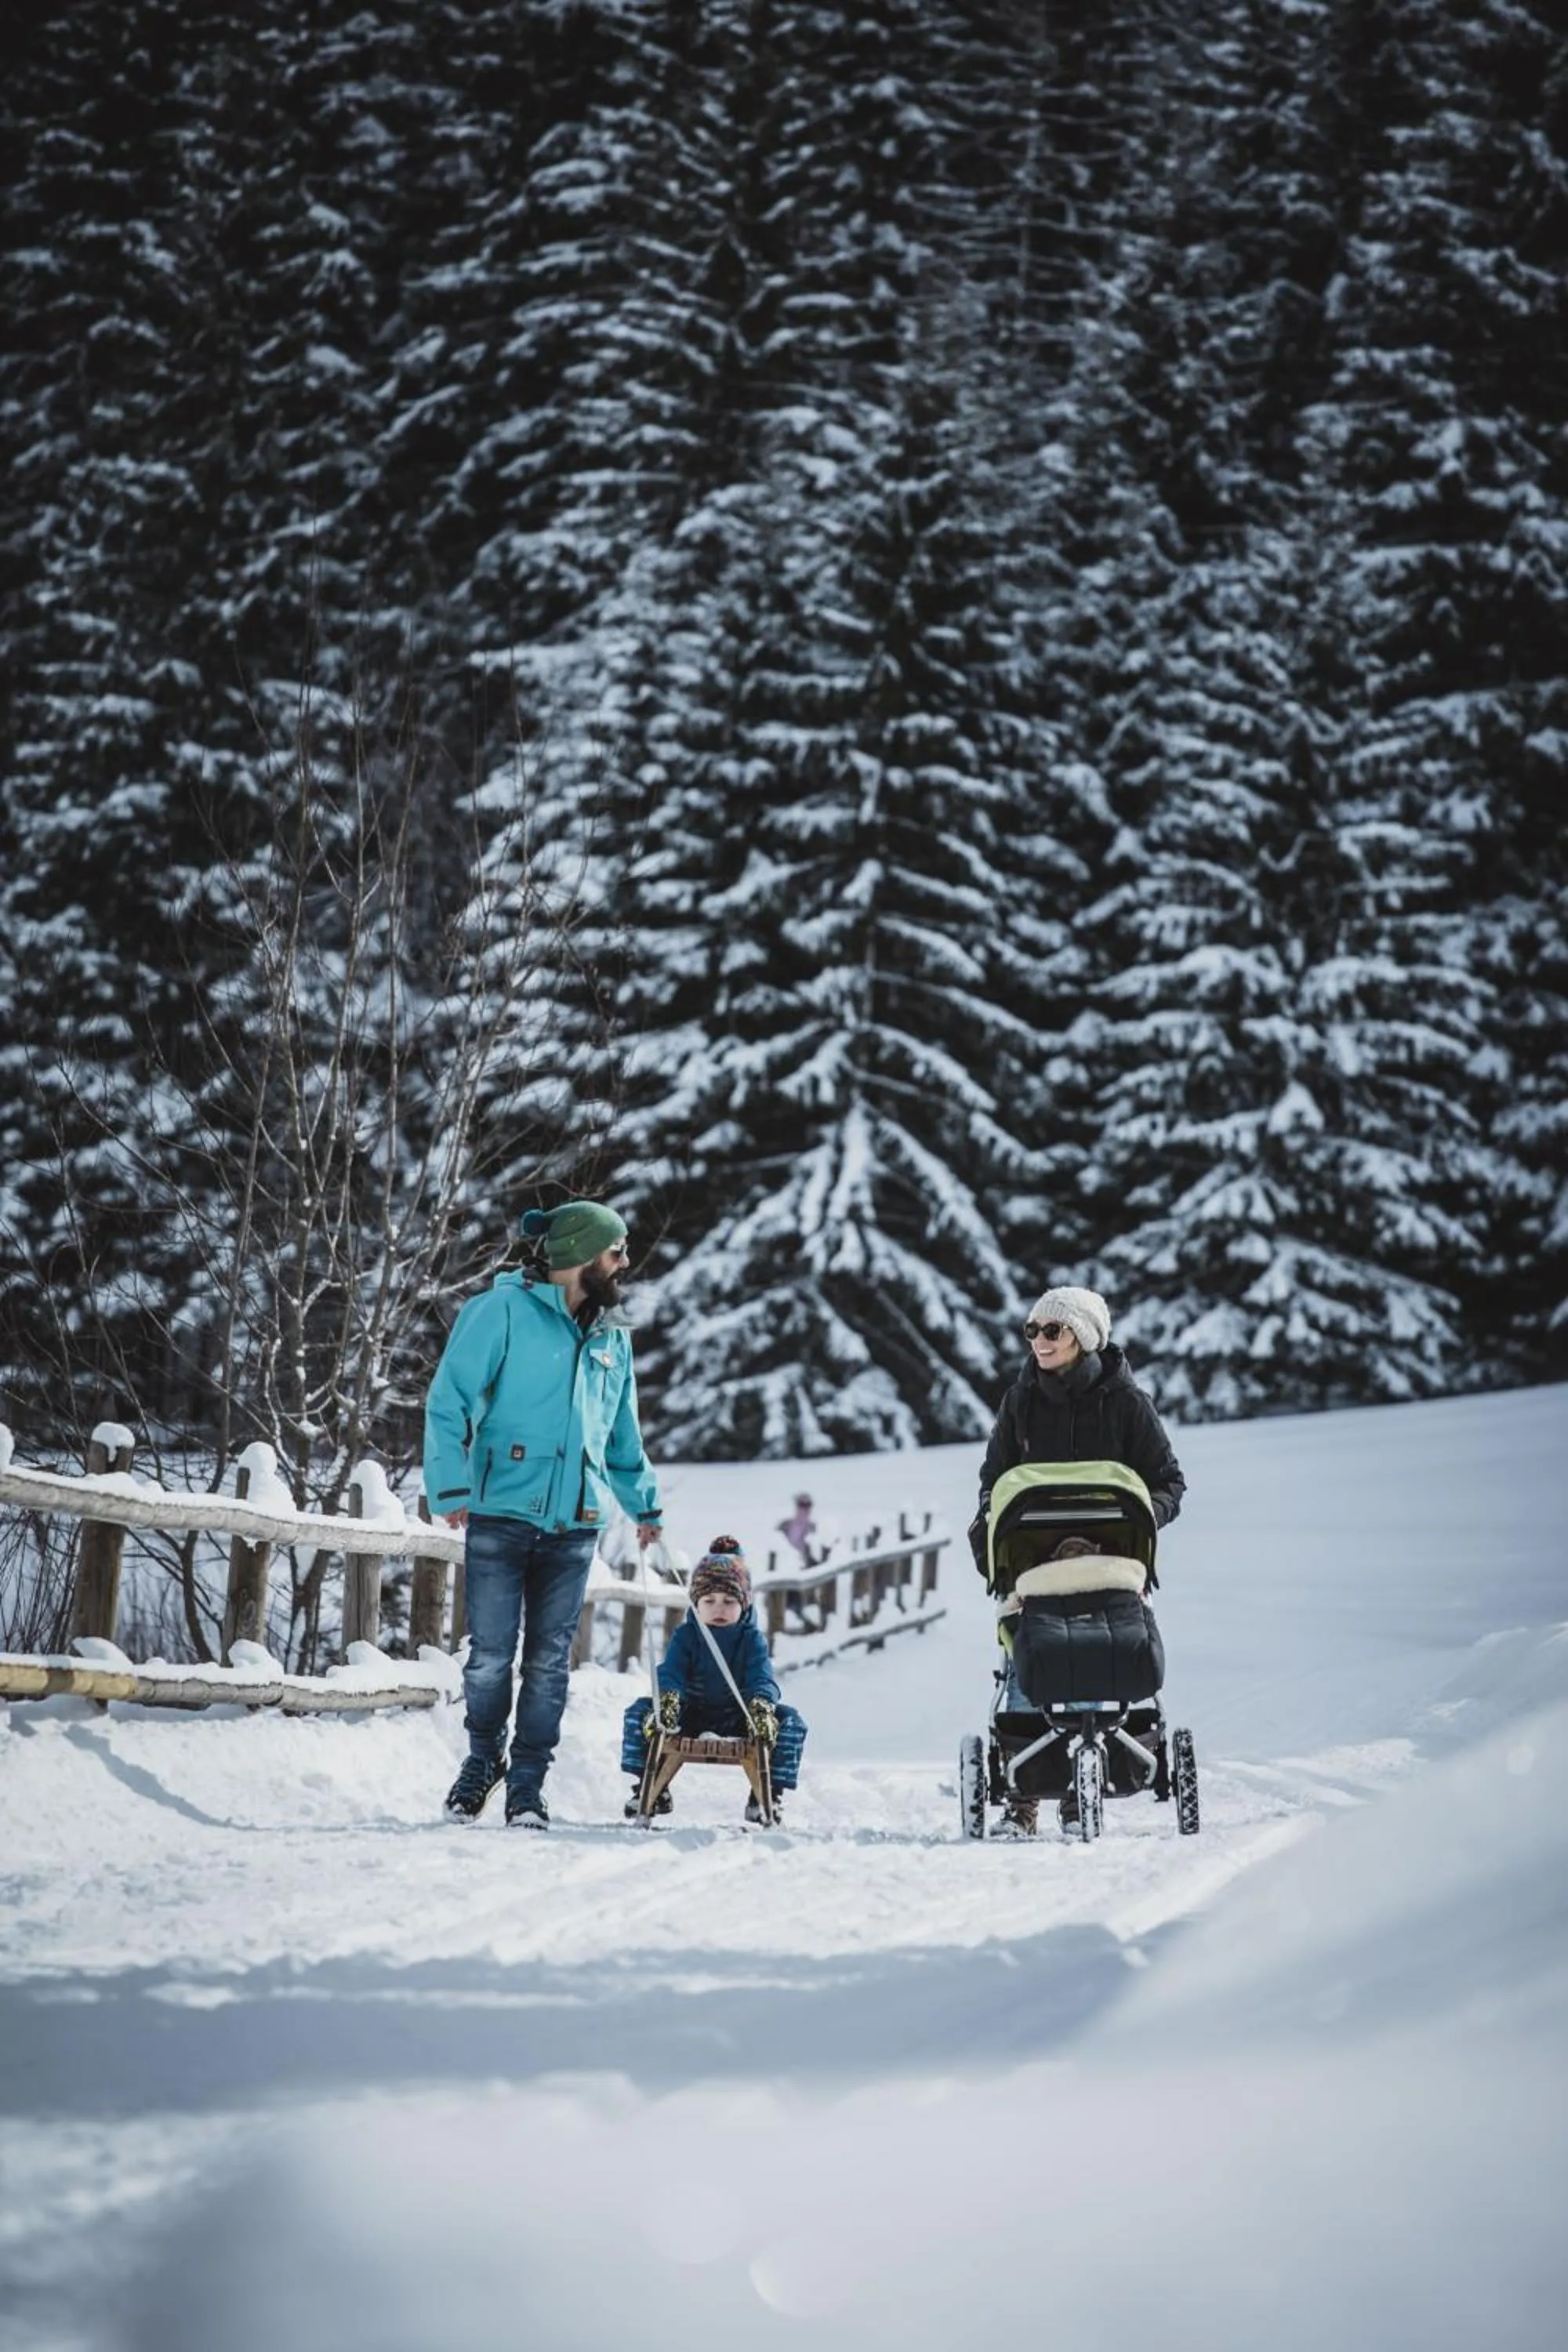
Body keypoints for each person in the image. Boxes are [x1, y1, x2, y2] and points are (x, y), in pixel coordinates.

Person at [425, 1198, 662, 1830]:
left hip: (576, 1523)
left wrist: (645, 1504)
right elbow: (448, 1401)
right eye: (616, 1251)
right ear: (582, 1256)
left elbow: (622, 1437)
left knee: (549, 1663)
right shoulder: (500, 1312)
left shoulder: (612, 1337)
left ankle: (528, 1781)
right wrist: (449, 1486)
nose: (625, 1262)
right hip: (501, 1512)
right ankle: (483, 1761)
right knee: (489, 1656)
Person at [975, 1285, 1185, 1837]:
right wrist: (990, 1534)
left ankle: (1078, 1796)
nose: (1039, 1341)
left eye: (1053, 1330)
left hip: (1109, 1561)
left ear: (1084, 1337)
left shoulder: (1127, 1403)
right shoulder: (1020, 1401)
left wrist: (1141, 1517)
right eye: (1032, 1330)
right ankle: (1023, 1801)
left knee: (1091, 1656)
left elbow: (1168, 1482)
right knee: (1029, 1663)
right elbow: (994, 1481)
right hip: (1035, 1564)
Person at [620, 1536, 808, 1824]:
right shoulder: (687, 1636)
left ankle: (768, 1793)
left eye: (729, 1601)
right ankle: (650, 1787)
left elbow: (761, 1677)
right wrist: (668, 1699)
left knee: (791, 1722)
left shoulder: (751, 1639)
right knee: (638, 1713)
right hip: (690, 1714)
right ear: (696, 1604)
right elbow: (672, 1671)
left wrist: (761, 1706)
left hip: (740, 1716)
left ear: (744, 1605)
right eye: (709, 1601)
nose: (719, 1608)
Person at [775, 1491, 818, 1567]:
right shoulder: (783, 1526)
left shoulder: (814, 1529)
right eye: (802, 1505)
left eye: (808, 1505)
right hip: (785, 1565)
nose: (805, 1508)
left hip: (808, 1567)